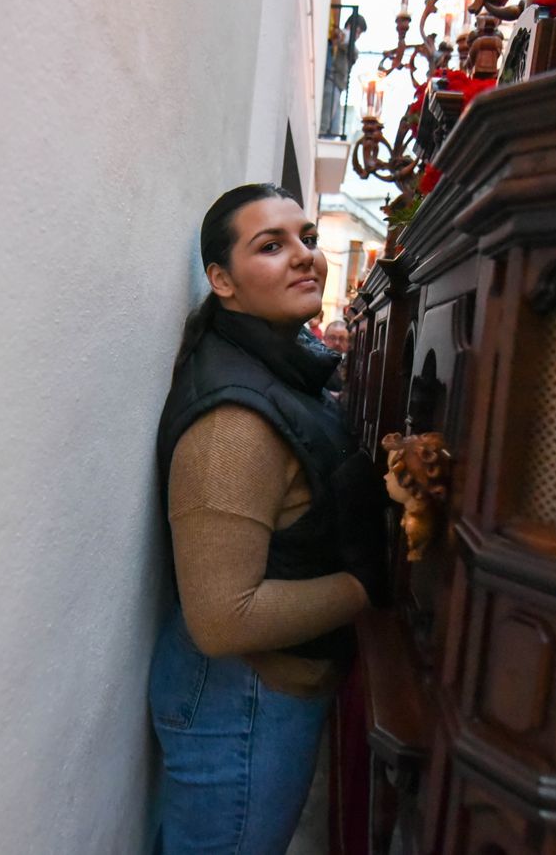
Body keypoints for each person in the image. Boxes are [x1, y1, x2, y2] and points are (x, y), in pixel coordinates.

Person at [150, 183, 386, 854]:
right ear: (221, 280)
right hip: (241, 700)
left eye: (307, 239)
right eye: (271, 245)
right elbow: (224, 618)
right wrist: (367, 585)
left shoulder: (279, 367)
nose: (304, 256)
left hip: (262, 690)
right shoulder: (234, 421)